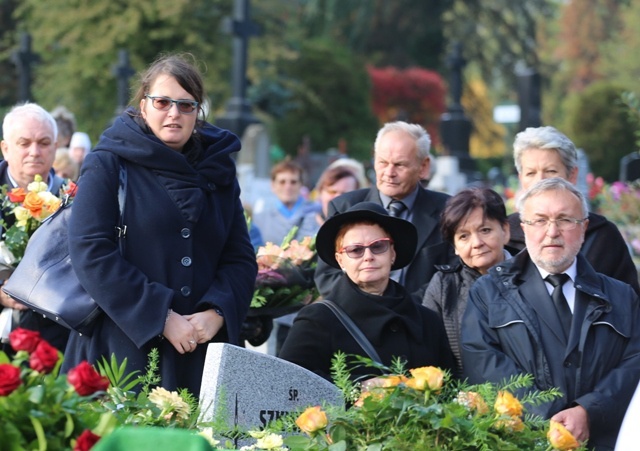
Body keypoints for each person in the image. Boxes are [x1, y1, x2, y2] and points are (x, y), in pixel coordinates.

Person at [61, 54, 258, 397]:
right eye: (163, 102)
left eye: (185, 105)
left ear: (198, 111)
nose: (173, 113)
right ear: (143, 105)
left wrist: (216, 313)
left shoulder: (219, 170)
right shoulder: (109, 163)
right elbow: (91, 252)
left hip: (201, 353)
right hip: (123, 348)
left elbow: (239, 256)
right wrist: (162, 317)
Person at [461, 177, 640, 450]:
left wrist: (588, 411)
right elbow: (483, 364)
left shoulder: (621, 296)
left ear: (584, 228)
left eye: (565, 220)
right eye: (540, 220)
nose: (552, 231)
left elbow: (634, 363)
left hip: (604, 440)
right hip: (522, 441)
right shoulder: (488, 293)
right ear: (523, 227)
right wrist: (548, 417)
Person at [279, 202, 454, 381]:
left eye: (378, 246)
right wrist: (357, 389)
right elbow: (289, 383)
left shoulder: (428, 321)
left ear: (392, 254)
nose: (368, 256)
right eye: (355, 250)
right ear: (340, 260)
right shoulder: (317, 320)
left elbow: (450, 386)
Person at [314, 121, 455, 300]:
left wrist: (405, 309)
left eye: (400, 165)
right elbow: (327, 277)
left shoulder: (447, 211)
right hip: (358, 320)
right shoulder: (344, 207)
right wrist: (374, 308)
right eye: (382, 162)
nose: (389, 172)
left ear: (423, 167)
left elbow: (452, 275)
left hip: (423, 318)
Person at [507, 126, 640, 294]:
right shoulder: (505, 235)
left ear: (572, 175)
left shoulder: (603, 237)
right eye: (531, 173)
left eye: (550, 171)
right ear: (521, 179)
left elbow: (628, 305)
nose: (540, 181)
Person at [0, 103, 70, 352]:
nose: (34, 151)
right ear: (5, 148)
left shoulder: (74, 196)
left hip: (57, 338)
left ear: (55, 147)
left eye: (43, 142)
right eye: (24, 143)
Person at [422, 187, 511, 376]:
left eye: (485, 230)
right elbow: (428, 352)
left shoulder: (531, 276)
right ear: (455, 246)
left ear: (505, 230)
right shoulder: (444, 285)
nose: (477, 242)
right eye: (464, 236)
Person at [251, 160, 320, 245]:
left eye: (293, 182)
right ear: (273, 185)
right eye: (282, 182)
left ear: (301, 184)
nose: (288, 187)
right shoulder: (260, 219)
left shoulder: (317, 213)